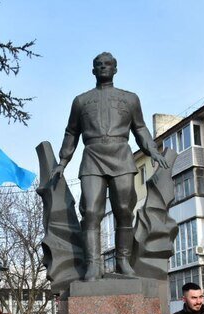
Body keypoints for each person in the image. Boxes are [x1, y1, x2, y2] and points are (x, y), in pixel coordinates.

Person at [52, 51, 169, 280]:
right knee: (91, 212)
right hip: (92, 157)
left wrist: (153, 150)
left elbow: (140, 128)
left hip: (121, 156)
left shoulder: (130, 99)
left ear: (115, 69)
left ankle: (123, 261)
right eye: (99, 64)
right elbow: (71, 132)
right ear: (93, 70)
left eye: (108, 64)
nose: (103, 67)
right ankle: (93, 265)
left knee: (124, 210)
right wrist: (63, 161)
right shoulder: (81, 101)